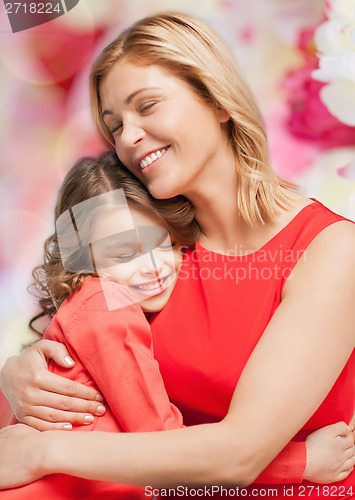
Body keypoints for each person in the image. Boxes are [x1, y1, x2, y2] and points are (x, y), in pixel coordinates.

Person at [0, 11, 354, 499]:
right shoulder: (148, 246)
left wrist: (40, 451)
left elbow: (240, 454)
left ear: (218, 101)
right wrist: (19, 376)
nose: (127, 136)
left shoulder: (332, 251)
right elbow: (84, 343)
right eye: (114, 125)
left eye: (147, 106)